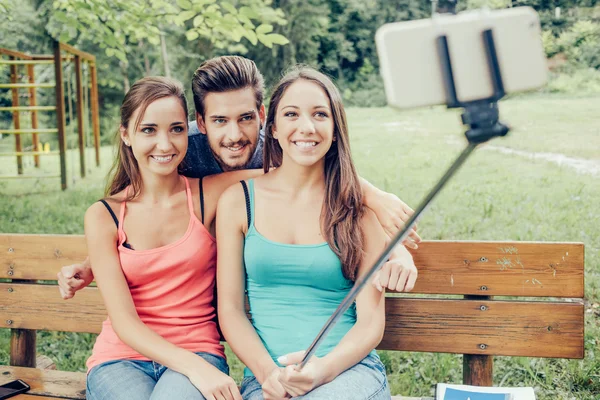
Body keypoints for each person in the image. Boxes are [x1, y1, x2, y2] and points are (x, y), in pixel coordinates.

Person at [58, 56, 420, 299]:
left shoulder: (279, 147)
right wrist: (93, 264)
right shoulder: (183, 152)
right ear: (200, 122)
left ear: (262, 113)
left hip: (270, 287)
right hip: (203, 293)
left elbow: (334, 181)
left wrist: (396, 246)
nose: (234, 135)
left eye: (246, 118)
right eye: (219, 121)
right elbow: (134, 205)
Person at [216, 66, 418, 400]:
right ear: (275, 128)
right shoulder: (238, 202)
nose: (306, 127)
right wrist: (269, 374)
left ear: (336, 129)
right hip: (268, 378)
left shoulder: (358, 209)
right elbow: (231, 311)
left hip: (346, 372)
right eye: (292, 114)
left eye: (320, 114)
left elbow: (369, 324)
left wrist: (321, 372)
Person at [84, 76, 262, 400]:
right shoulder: (104, 215)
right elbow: (124, 324)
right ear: (126, 134)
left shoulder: (209, 193)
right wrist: (194, 369)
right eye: (148, 130)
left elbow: (292, 175)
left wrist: (376, 198)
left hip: (198, 349)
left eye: (176, 129)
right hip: (119, 359)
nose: (165, 145)